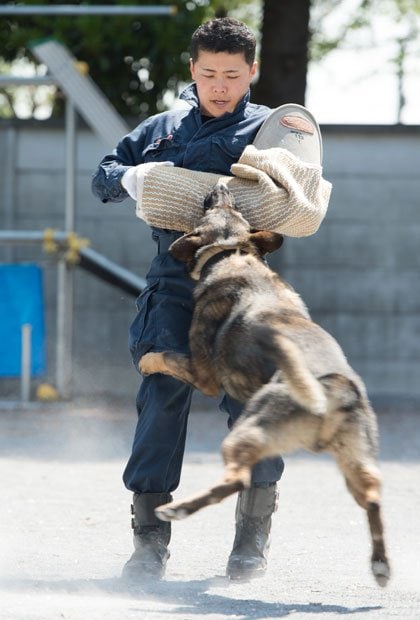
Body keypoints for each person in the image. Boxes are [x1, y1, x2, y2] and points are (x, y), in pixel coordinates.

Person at [92, 17, 330, 581]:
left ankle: (251, 541)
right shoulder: (161, 127)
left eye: (230, 74)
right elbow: (104, 174)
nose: (219, 85)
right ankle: (149, 545)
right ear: (191, 70)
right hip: (172, 284)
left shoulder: (275, 134)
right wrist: (134, 178)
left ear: (252, 72)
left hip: (244, 289)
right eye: (207, 73)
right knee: (161, 395)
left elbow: (297, 204)